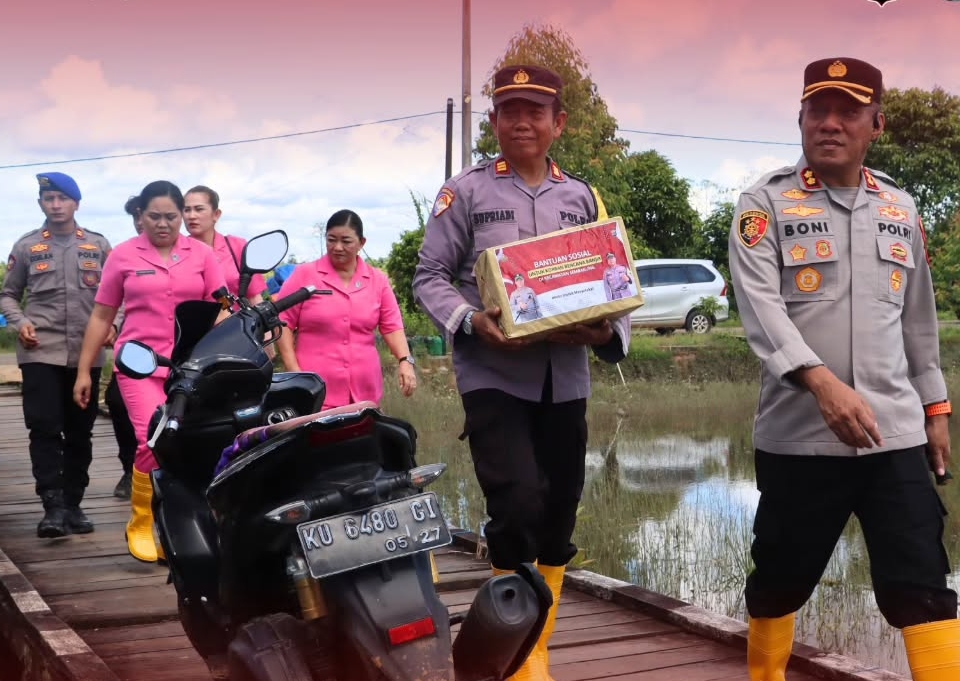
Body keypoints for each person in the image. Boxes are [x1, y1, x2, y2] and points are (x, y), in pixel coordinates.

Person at [728, 58, 959, 681]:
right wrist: (821, 382)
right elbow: (760, 307)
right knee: (779, 581)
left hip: (894, 434)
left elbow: (918, 321)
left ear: (876, 125)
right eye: (818, 110)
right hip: (800, 438)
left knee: (924, 587)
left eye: (848, 112)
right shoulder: (764, 204)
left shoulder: (900, 207)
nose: (830, 123)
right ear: (801, 118)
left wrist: (935, 407)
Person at [412, 64, 630, 681]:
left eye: (536, 111)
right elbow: (429, 276)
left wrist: (609, 333)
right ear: (494, 122)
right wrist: (469, 320)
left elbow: (614, 278)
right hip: (494, 376)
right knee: (516, 501)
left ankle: (537, 648)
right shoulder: (465, 193)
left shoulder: (581, 197)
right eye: (510, 111)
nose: (522, 122)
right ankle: (522, 660)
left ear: (559, 122)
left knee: (559, 512)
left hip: (565, 377)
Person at [73, 181, 227, 563]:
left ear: (181, 216)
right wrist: (84, 371)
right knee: (152, 438)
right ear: (140, 216)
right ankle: (142, 519)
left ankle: (182, 524)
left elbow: (223, 306)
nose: (163, 224)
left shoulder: (202, 254)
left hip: (191, 366)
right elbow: (102, 315)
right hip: (139, 363)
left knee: (192, 443)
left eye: (171, 217)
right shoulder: (123, 256)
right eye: (154, 216)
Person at [0, 172, 114, 538]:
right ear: (40, 204)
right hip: (40, 352)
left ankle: (74, 503)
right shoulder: (26, 246)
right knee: (44, 428)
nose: (56, 204)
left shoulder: (98, 245)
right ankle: (52, 506)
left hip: (86, 354)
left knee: (80, 432)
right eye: (49, 199)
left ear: (76, 203)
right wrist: (20, 323)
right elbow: (8, 295)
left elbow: (122, 292)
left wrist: (115, 325)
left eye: (62, 198)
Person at [275, 209, 417, 409]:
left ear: (361, 243)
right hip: (313, 391)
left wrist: (405, 360)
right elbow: (282, 323)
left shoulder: (377, 280)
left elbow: (392, 326)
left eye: (346, 241)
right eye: (331, 240)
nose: (337, 247)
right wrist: (294, 372)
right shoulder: (304, 275)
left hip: (365, 392)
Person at [102, 196, 143, 500]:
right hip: (134, 345)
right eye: (136, 217)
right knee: (116, 401)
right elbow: (113, 301)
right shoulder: (124, 254)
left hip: (179, 347)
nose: (141, 223)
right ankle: (130, 469)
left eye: (146, 215)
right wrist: (113, 325)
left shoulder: (190, 253)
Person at [183, 185, 268, 303]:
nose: (191, 216)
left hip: (236, 314)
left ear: (216, 214)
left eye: (199, 209)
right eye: (186, 210)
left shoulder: (237, 247)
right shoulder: (176, 252)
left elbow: (254, 297)